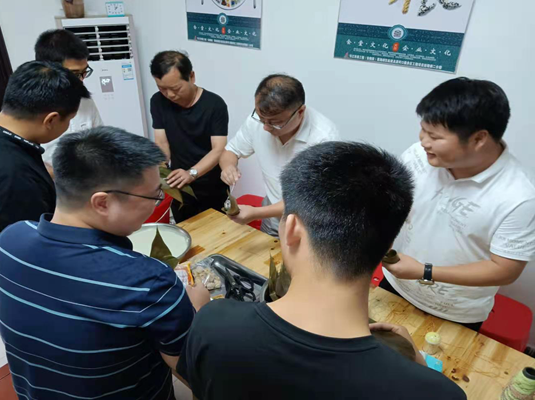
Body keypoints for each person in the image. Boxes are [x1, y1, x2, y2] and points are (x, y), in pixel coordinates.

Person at [177, 142, 466, 400]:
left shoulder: (213, 325)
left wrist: (200, 312)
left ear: (291, 229)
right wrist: (416, 364)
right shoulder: (435, 392)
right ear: (387, 246)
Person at [0, 127, 210, 399]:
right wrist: (199, 311)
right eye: (153, 196)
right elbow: (193, 371)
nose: (156, 204)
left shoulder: (8, 241)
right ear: (102, 203)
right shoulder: (150, 282)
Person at [381, 78, 535, 331]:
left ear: (479, 139)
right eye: (423, 130)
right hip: (396, 283)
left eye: (434, 136)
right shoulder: (419, 155)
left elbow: (505, 270)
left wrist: (424, 271)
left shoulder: (519, 196)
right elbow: (394, 203)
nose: (424, 142)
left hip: (455, 310)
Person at [0, 61, 89, 310]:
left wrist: (49, 173)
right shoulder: (14, 176)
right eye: (69, 120)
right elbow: (36, 253)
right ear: (51, 119)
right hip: (16, 287)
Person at [219, 74, 340, 237]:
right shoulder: (258, 121)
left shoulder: (323, 139)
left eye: (275, 122)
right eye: (262, 119)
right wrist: (228, 166)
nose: (266, 127)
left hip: (308, 225)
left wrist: (255, 213)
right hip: (272, 217)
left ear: (300, 112)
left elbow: (306, 200)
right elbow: (231, 151)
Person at [150, 50, 229, 222]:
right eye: (162, 89)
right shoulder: (158, 101)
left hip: (211, 185)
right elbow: (162, 143)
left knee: (216, 231)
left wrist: (192, 173)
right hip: (179, 183)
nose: (170, 95)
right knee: (185, 229)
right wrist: (161, 170)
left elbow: (219, 149)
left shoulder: (214, 105)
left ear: (191, 77)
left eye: (175, 88)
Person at [35, 29, 104, 176]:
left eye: (84, 72)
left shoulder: (84, 100)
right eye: (74, 74)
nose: (81, 80)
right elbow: (20, 159)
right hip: (50, 184)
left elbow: (100, 140)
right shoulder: (29, 107)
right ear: (47, 69)